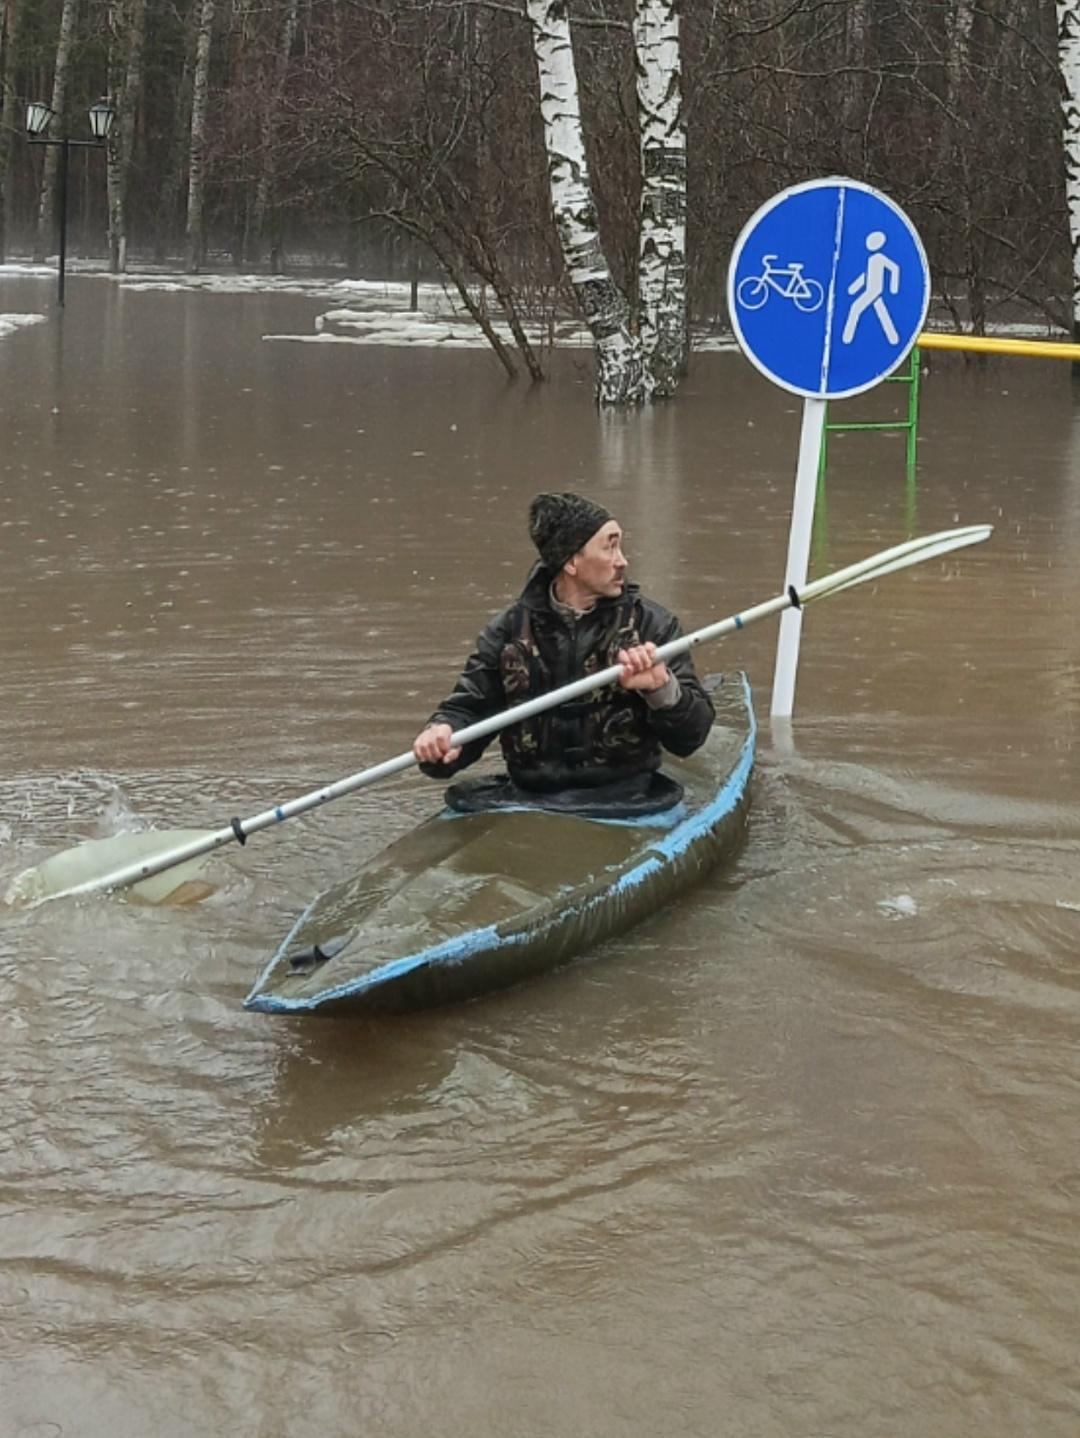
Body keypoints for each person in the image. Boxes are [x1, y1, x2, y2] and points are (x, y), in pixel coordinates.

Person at [412, 492, 714, 803]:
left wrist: (661, 689)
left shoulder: (652, 625)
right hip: (528, 797)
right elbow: (465, 711)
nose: (622, 560)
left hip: (625, 799)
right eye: (610, 547)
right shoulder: (507, 631)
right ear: (571, 561)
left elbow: (692, 737)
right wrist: (440, 734)